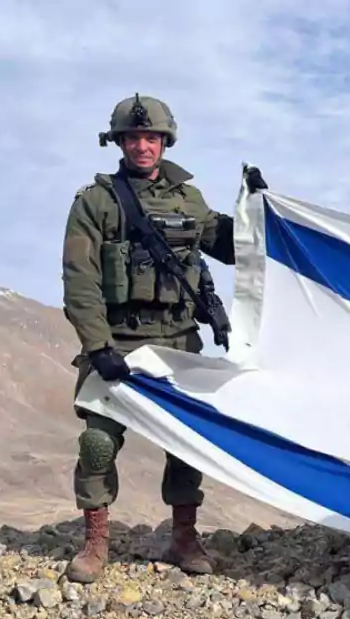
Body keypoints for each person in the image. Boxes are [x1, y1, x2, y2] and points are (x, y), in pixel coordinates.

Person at [60, 93, 269, 584]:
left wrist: (260, 213)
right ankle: (95, 543)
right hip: (118, 341)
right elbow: (79, 279)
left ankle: (183, 537)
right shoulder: (96, 202)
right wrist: (97, 346)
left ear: (164, 141)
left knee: (185, 444)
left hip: (178, 341)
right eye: (132, 138)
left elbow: (232, 247)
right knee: (97, 443)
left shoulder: (187, 199)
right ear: (119, 142)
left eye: (150, 137)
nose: (142, 146)